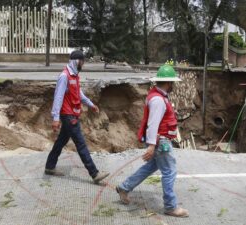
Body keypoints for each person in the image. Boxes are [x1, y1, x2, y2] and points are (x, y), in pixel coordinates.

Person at [116, 65, 189, 218]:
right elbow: (153, 124)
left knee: (150, 167)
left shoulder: (158, 96)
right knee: (169, 172)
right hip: (161, 142)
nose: (173, 86)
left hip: (158, 141)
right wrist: (151, 146)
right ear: (168, 83)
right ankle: (170, 206)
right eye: (173, 83)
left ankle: (124, 187)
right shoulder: (158, 100)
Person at [45, 50, 110, 184]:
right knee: (81, 144)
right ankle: (94, 173)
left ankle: (49, 166)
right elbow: (58, 97)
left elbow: (79, 94)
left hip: (72, 113)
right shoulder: (65, 76)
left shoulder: (74, 76)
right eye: (83, 61)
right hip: (68, 115)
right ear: (77, 61)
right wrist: (55, 118)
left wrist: (91, 104)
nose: (83, 64)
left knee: (61, 141)